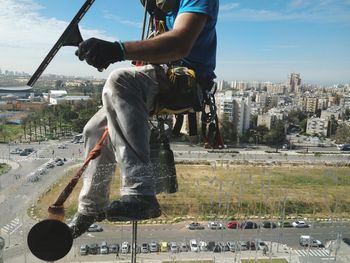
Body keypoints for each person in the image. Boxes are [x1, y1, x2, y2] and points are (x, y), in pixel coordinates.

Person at [69, 0, 219, 238]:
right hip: (162, 77)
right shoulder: (162, 11)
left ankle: (140, 193)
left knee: (120, 80)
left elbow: (180, 43)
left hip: (187, 81)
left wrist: (117, 50)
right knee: (94, 130)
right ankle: (91, 207)